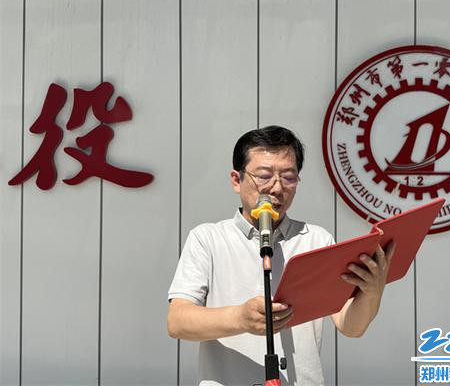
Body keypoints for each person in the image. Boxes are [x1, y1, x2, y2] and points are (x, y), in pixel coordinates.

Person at [167, 125, 395, 386]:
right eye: (264, 176)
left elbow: (350, 326)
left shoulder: (316, 240)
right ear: (236, 180)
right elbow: (177, 321)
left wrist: (372, 292)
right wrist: (240, 318)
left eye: (288, 177)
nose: (276, 188)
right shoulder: (207, 238)